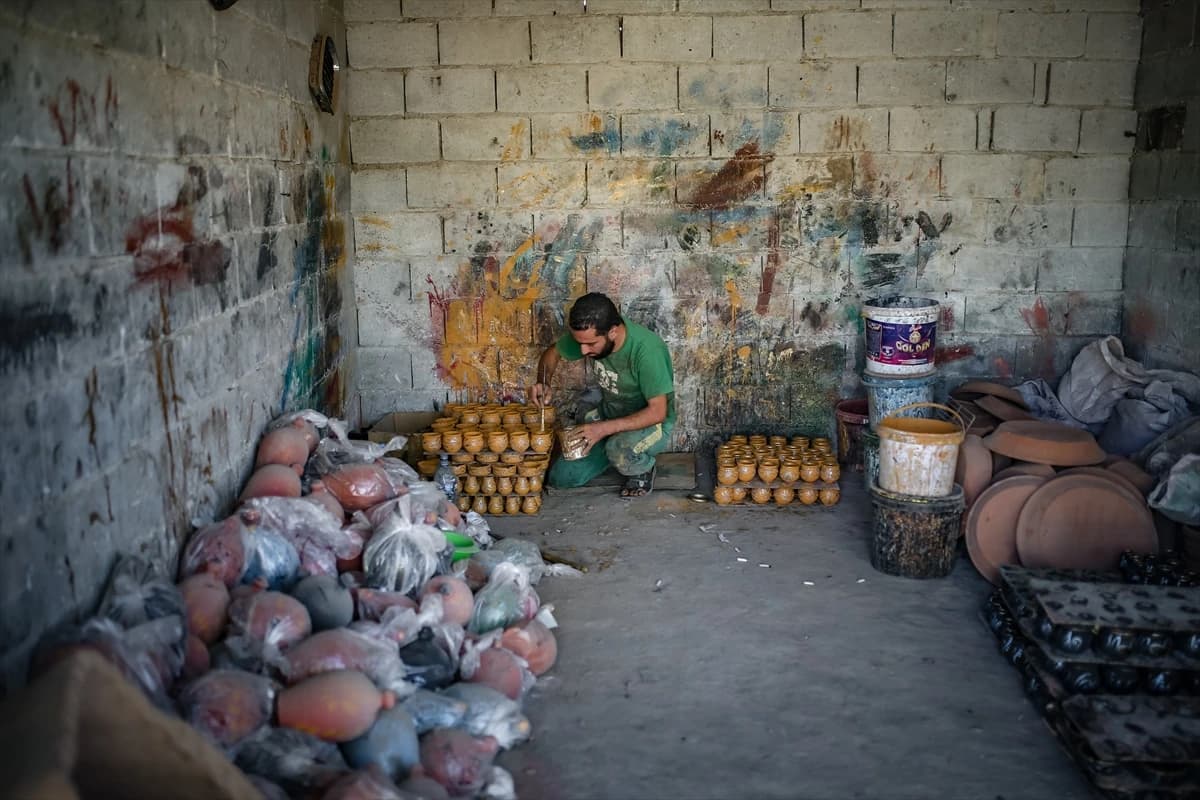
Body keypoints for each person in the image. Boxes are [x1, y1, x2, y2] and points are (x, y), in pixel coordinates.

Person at [529, 292, 675, 498]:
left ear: (613, 332)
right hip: (611, 415)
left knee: (619, 449)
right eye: (580, 343)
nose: (583, 350)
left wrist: (602, 429)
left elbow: (658, 412)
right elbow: (552, 354)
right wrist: (543, 383)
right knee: (562, 477)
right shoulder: (590, 337)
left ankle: (643, 467)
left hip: (652, 424)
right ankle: (609, 451)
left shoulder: (646, 350)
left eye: (590, 344)